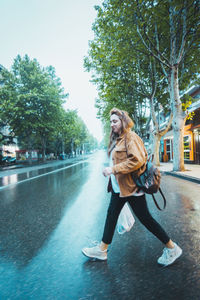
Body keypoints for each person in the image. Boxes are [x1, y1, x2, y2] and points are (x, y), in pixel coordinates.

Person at [82, 108, 182, 266]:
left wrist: (112, 169)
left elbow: (137, 161)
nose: (112, 125)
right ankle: (102, 249)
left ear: (123, 121)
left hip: (131, 189)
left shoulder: (131, 137)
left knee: (146, 219)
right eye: (111, 122)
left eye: (115, 121)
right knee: (111, 215)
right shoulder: (119, 139)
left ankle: (172, 247)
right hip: (120, 189)